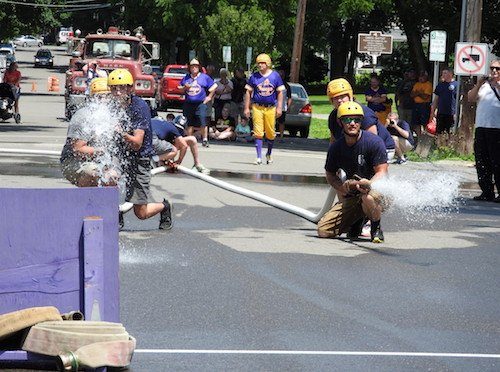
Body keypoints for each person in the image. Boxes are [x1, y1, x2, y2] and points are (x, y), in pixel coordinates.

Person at [109, 69, 173, 230]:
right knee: (107, 177)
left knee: (141, 213)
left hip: (139, 159)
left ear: (130, 88)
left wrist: (120, 133)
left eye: (121, 88)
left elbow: (137, 143)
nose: (117, 92)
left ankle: (164, 207)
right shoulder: (112, 106)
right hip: (122, 155)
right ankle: (115, 213)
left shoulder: (139, 107)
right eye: (114, 88)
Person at [318, 101, 388, 243]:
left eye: (357, 120)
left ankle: (376, 227)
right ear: (340, 122)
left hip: (376, 192)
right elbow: (330, 174)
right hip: (353, 194)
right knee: (324, 231)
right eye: (347, 119)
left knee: (367, 198)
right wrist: (341, 187)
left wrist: (370, 183)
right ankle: (357, 220)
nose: (352, 123)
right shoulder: (336, 147)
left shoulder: (374, 142)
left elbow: (382, 172)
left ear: (361, 122)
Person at [60, 78, 120, 187]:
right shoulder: (83, 116)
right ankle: (85, 199)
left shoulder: (111, 115)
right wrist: (100, 151)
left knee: (113, 176)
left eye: (108, 96)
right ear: (92, 98)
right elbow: (77, 149)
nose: (105, 100)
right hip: (73, 161)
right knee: (93, 172)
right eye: (100, 97)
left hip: (98, 160)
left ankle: (104, 203)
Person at [327, 78, 396, 162]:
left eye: (342, 96)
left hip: (383, 148)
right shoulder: (333, 116)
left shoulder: (363, 112)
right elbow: (333, 141)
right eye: (335, 98)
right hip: (357, 148)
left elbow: (373, 140)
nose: (339, 100)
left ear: (350, 96)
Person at [467, 59, 500, 202]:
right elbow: (470, 98)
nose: (494, 71)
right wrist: (479, 83)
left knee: (497, 162)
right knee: (482, 162)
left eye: (497, 69)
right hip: (481, 127)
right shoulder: (484, 86)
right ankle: (487, 191)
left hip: (497, 128)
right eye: (492, 68)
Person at [244, 53, 284, 165]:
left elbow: (280, 92)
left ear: (268, 64)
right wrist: (247, 107)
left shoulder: (275, 76)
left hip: (271, 108)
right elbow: (248, 92)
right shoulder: (254, 76)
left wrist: (280, 107)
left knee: (271, 133)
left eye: (263, 63)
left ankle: (269, 153)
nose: (260, 65)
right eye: (259, 63)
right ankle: (258, 157)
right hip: (257, 107)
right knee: (258, 132)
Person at [178, 59, 217, 147]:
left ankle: (205, 139)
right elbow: (179, 88)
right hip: (188, 103)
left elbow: (214, 86)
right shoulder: (186, 77)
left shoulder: (204, 77)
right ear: (190, 68)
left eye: (196, 66)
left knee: (203, 121)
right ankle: (189, 139)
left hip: (200, 103)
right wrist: (185, 87)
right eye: (192, 66)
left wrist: (209, 97)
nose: (194, 68)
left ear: (199, 67)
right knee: (189, 122)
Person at [430, 67, 459, 134]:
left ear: (451, 74)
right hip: (441, 112)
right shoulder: (440, 85)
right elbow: (436, 99)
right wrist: (433, 111)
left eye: (445, 73)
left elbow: (459, 99)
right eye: (442, 73)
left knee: (450, 132)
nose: (443, 75)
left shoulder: (457, 84)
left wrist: (456, 113)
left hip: (451, 113)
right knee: (439, 132)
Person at [410, 71, 433, 138]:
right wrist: (420, 93)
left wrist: (417, 93)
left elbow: (426, 97)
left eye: (423, 77)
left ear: (426, 77)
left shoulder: (428, 84)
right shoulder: (417, 84)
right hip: (416, 105)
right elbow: (412, 94)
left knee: (424, 122)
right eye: (420, 77)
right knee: (416, 123)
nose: (421, 78)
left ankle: (425, 137)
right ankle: (419, 137)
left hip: (424, 105)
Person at [277, 69, 292, 141]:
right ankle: (269, 135)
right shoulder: (274, 84)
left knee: (281, 122)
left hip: (282, 107)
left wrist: (288, 106)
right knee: (272, 121)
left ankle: (281, 136)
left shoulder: (286, 86)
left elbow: (289, 97)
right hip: (274, 106)